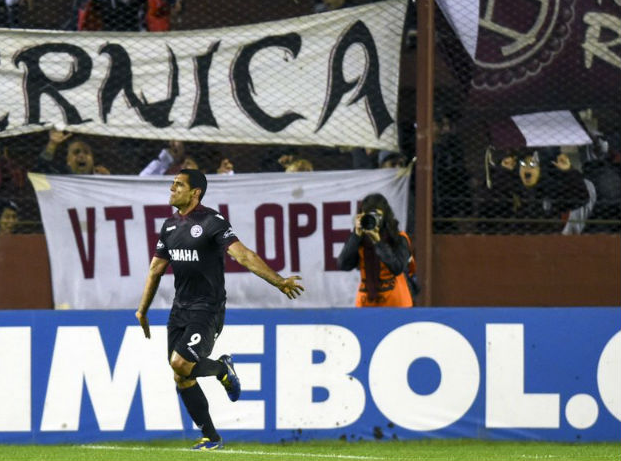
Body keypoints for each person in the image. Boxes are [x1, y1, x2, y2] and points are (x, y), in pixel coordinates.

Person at [135, 169, 304, 450]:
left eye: (178, 185)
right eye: (172, 184)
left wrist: (279, 281)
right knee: (181, 375)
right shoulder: (168, 226)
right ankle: (211, 437)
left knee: (181, 363)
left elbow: (243, 255)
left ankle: (221, 369)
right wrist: (142, 310)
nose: (172, 188)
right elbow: (155, 269)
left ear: (195, 193)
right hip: (180, 309)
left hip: (207, 309)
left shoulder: (212, 222)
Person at [336, 193, 414, 307]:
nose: (373, 220)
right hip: (366, 302)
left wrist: (378, 242)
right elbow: (343, 265)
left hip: (395, 301)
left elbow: (397, 268)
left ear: (385, 216)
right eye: (368, 215)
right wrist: (356, 235)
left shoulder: (399, 238)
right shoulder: (360, 239)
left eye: (377, 216)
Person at [34, 129, 109, 175]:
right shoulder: (59, 177)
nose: (82, 155)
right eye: (76, 152)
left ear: (93, 160)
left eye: (86, 152)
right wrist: (52, 144)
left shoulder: (101, 179)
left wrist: (108, 181)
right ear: (68, 160)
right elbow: (39, 170)